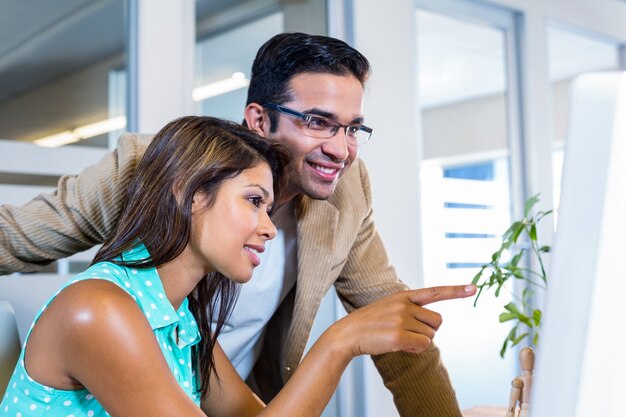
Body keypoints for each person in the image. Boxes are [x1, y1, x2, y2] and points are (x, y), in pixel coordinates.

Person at [0, 33, 468, 416]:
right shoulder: (151, 177)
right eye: (319, 122)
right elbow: (15, 239)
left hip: (213, 393)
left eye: (352, 129)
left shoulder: (185, 320)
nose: (342, 149)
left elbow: (393, 325)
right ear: (259, 119)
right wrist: (340, 342)